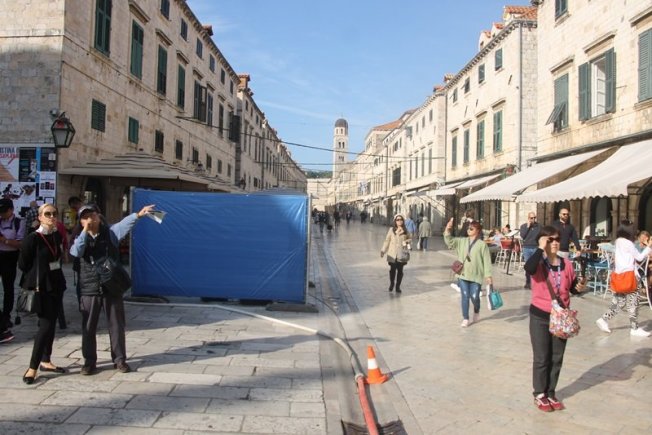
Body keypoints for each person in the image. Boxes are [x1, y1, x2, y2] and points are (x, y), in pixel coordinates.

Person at [70, 203, 155, 375]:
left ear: (99, 216)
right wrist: (85, 231)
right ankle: (89, 362)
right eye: (85, 217)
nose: (89, 219)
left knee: (116, 325)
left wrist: (138, 215)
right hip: (89, 286)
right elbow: (76, 252)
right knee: (88, 326)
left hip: (111, 285)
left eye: (92, 215)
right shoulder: (80, 237)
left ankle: (119, 359)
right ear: (80, 221)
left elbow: (124, 225)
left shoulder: (110, 233)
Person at [524, 225, 586, 412]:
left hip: (561, 317)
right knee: (542, 357)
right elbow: (529, 268)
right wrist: (540, 248)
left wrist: (578, 288)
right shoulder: (538, 263)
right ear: (543, 241)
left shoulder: (566, 264)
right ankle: (539, 394)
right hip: (540, 316)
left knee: (557, 357)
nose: (555, 242)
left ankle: (550, 392)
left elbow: (571, 287)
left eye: (557, 239)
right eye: (550, 239)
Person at [18, 204, 68, 384]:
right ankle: (32, 367)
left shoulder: (56, 235)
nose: (51, 216)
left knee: (52, 324)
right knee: (45, 326)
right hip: (41, 287)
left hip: (56, 285)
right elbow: (23, 264)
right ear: (39, 217)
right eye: (47, 214)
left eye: (54, 213)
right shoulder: (33, 238)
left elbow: (57, 257)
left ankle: (46, 360)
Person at [596, 221, 651, 337]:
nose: (635, 231)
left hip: (619, 276)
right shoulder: (629, 243)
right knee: (633, 302)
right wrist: (649, 247)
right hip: (629, 277)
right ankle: (634, 328)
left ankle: (603, 319)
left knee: (619, 302)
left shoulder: (618, 241)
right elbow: (639, 257)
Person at [444, 218, 493, 327]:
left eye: (471, 228)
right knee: (465, 295)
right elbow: (449, 241)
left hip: (476, 275)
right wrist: (447, 229)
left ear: (478, 231)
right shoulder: (462, 241)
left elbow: (486, 261)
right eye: (468, 228)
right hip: (463, 274)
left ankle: (476, 311)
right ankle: (465, 318)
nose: (469, 230)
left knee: (475, 296)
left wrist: (488, 275)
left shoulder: (482, 245)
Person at [0, 198, 25, 335]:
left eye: (4, 211)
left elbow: (20, 243)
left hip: (10, 257)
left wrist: (4, 240)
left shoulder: (18, 222)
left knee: (8, 287)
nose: (2, 214)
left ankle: (6, 315)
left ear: (11, 210)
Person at [380, 214, 411, 293]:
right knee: (392, 270)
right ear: (395, 221)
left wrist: (406, 242)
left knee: (400, 271)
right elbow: (387, 241)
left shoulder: (406, 230)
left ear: (403, 221)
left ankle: (398, 286)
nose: (399, 221)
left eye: (401, 219)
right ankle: (392, 283)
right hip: (392, 254)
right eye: (397, 220)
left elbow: (410, 239)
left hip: (401, 253)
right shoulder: (391, 230)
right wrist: (383, 250)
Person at [520, 212, 541, 289]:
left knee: (536, 266)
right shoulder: (523, 226)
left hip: (536, 247)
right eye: (531, 218)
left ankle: (535, 282)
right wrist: (528, 227)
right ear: (528, 218)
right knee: (528, 266)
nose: (533, 219)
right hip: (527, 248)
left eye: (534, 218)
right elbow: (523, 236)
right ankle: (528, 282)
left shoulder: (539, 226)